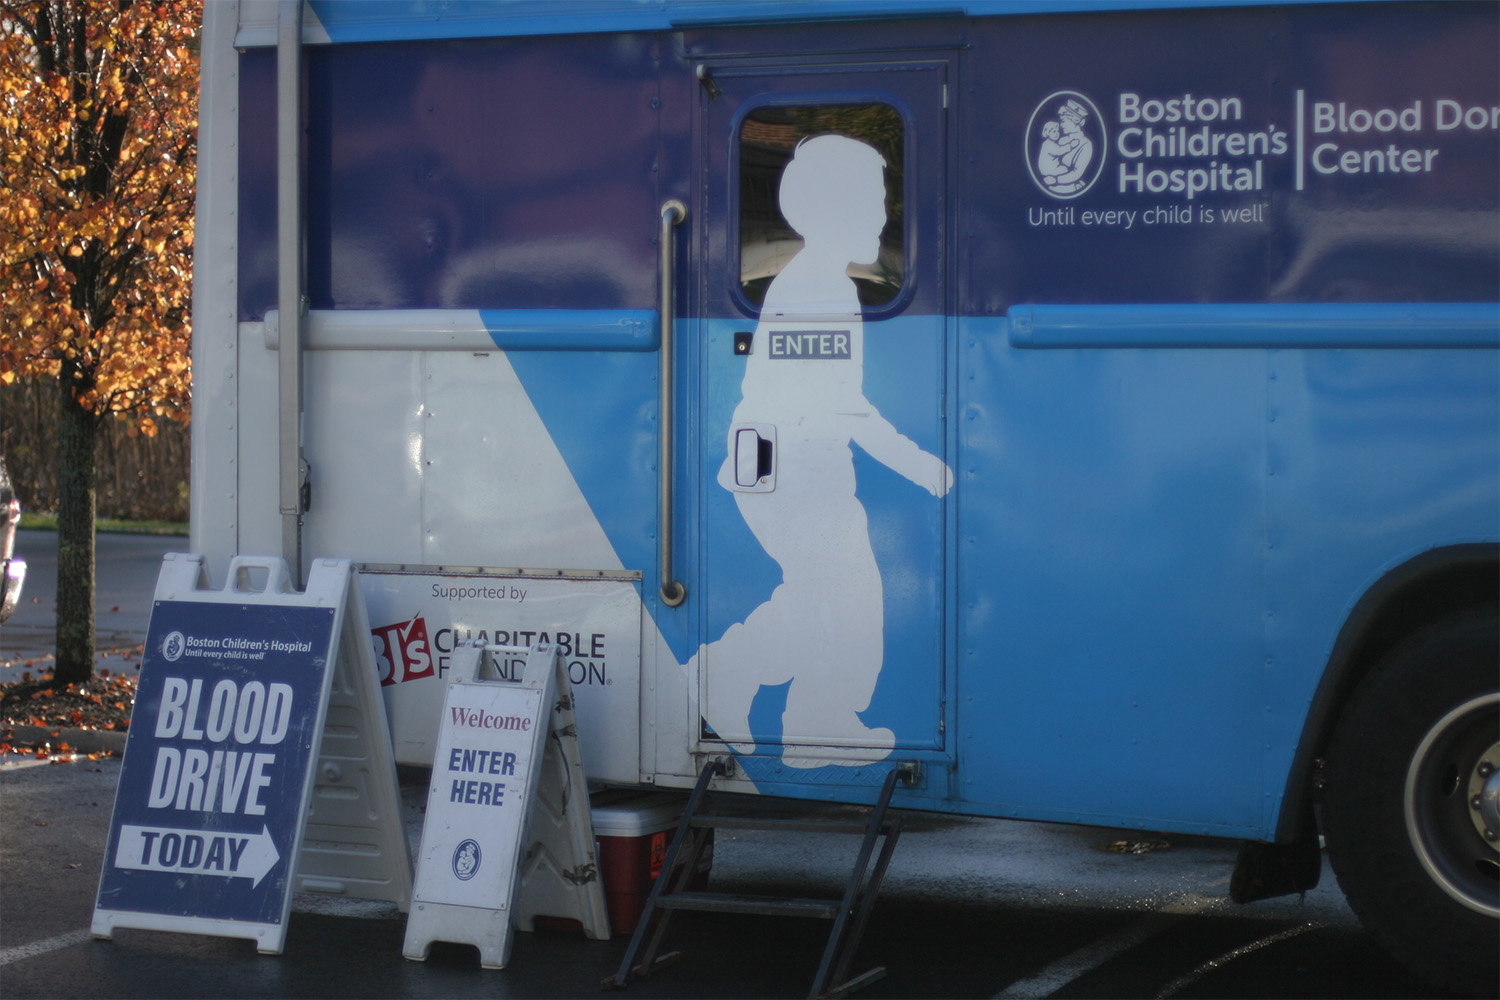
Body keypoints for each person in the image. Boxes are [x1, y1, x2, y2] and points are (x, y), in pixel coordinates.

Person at [693, 134, 951, 766]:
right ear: (833, 209)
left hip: (790, 467)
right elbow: (848, 407)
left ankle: (736, 676)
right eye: (873, 203)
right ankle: (814, 716)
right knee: (851, 592)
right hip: (787, 471)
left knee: (822, 594)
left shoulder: (818, 285)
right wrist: (924, 466)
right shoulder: (818, 291)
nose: (886, 216)